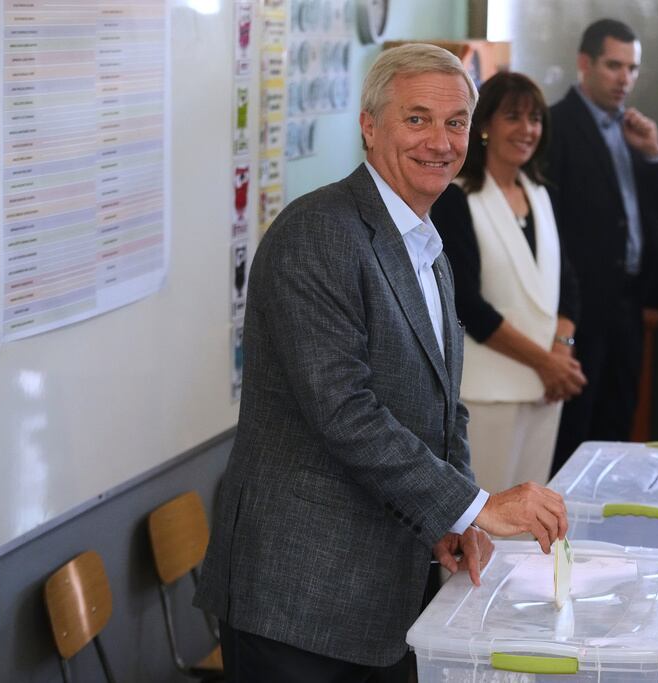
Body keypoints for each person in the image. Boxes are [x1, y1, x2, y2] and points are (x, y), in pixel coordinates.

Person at [193, 44, 569, 682]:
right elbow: (346, 412)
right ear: (370, 126)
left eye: (455, 123)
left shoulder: (425, 239)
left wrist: (449, 518)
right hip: (299, 598)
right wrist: (475, 506)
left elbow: (445, 405)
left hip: (387, 588)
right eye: (416, 119)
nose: (439, 142)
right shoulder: (318, 233)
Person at [546, 18, 658, 476]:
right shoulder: (555, 125)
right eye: (614, 66)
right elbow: (552, 225)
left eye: (632, 68)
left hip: (628, 304)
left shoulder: (632, 129)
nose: (624, 78)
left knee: (617, 425)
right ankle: (561, 537)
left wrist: (654, 153)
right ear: (584, 64)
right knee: (574, 431)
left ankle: (603, 537)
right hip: (579, 305)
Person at [431, 72, 585, 492]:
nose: (527, 129)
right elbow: (466, 304)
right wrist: (545, 361)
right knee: (481, 531)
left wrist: (561, 350)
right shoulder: (458, 197)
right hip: (487, 392)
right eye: (513, 117)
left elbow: (566, 284)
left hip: (545, 389)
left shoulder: (540, 193)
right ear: (484, 126)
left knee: (527, 533)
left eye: (535, 118)